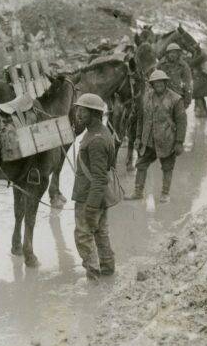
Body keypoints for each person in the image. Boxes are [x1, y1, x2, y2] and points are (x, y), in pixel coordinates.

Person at [124, 70, 187, 204]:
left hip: (167, 139)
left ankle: (165, 193)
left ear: (165, 83)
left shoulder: (176, 99)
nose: (158, 85)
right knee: (141, 164)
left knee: (167, 167)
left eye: (161, 82)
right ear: (152, 84)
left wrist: (179, 142)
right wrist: (138, 138)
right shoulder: (146, 97)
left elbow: (182, 122)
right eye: (155, 83)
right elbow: (141, 119)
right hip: (148, 140)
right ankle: (138, 192)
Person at [72, 93, 116, 280]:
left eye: (82, 110)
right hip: (98, 196)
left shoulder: (96, 140)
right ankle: (107, 270)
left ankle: (94, 275)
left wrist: (90, 207)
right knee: (101, 232)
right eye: (78, 109)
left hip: (90, 197)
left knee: (83, 236)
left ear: (94, 113)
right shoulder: (99, 131)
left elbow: (99, 178)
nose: (78, 114)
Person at [157, 43, 193, 109]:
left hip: (179, 96)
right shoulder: (161, 64)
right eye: (170, 52)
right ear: (167, 54)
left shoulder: (183, 66)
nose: (172, 55)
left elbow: (188, 84)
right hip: (164, 97)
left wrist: (187, 101)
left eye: (175, 52)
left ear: (178, 54)